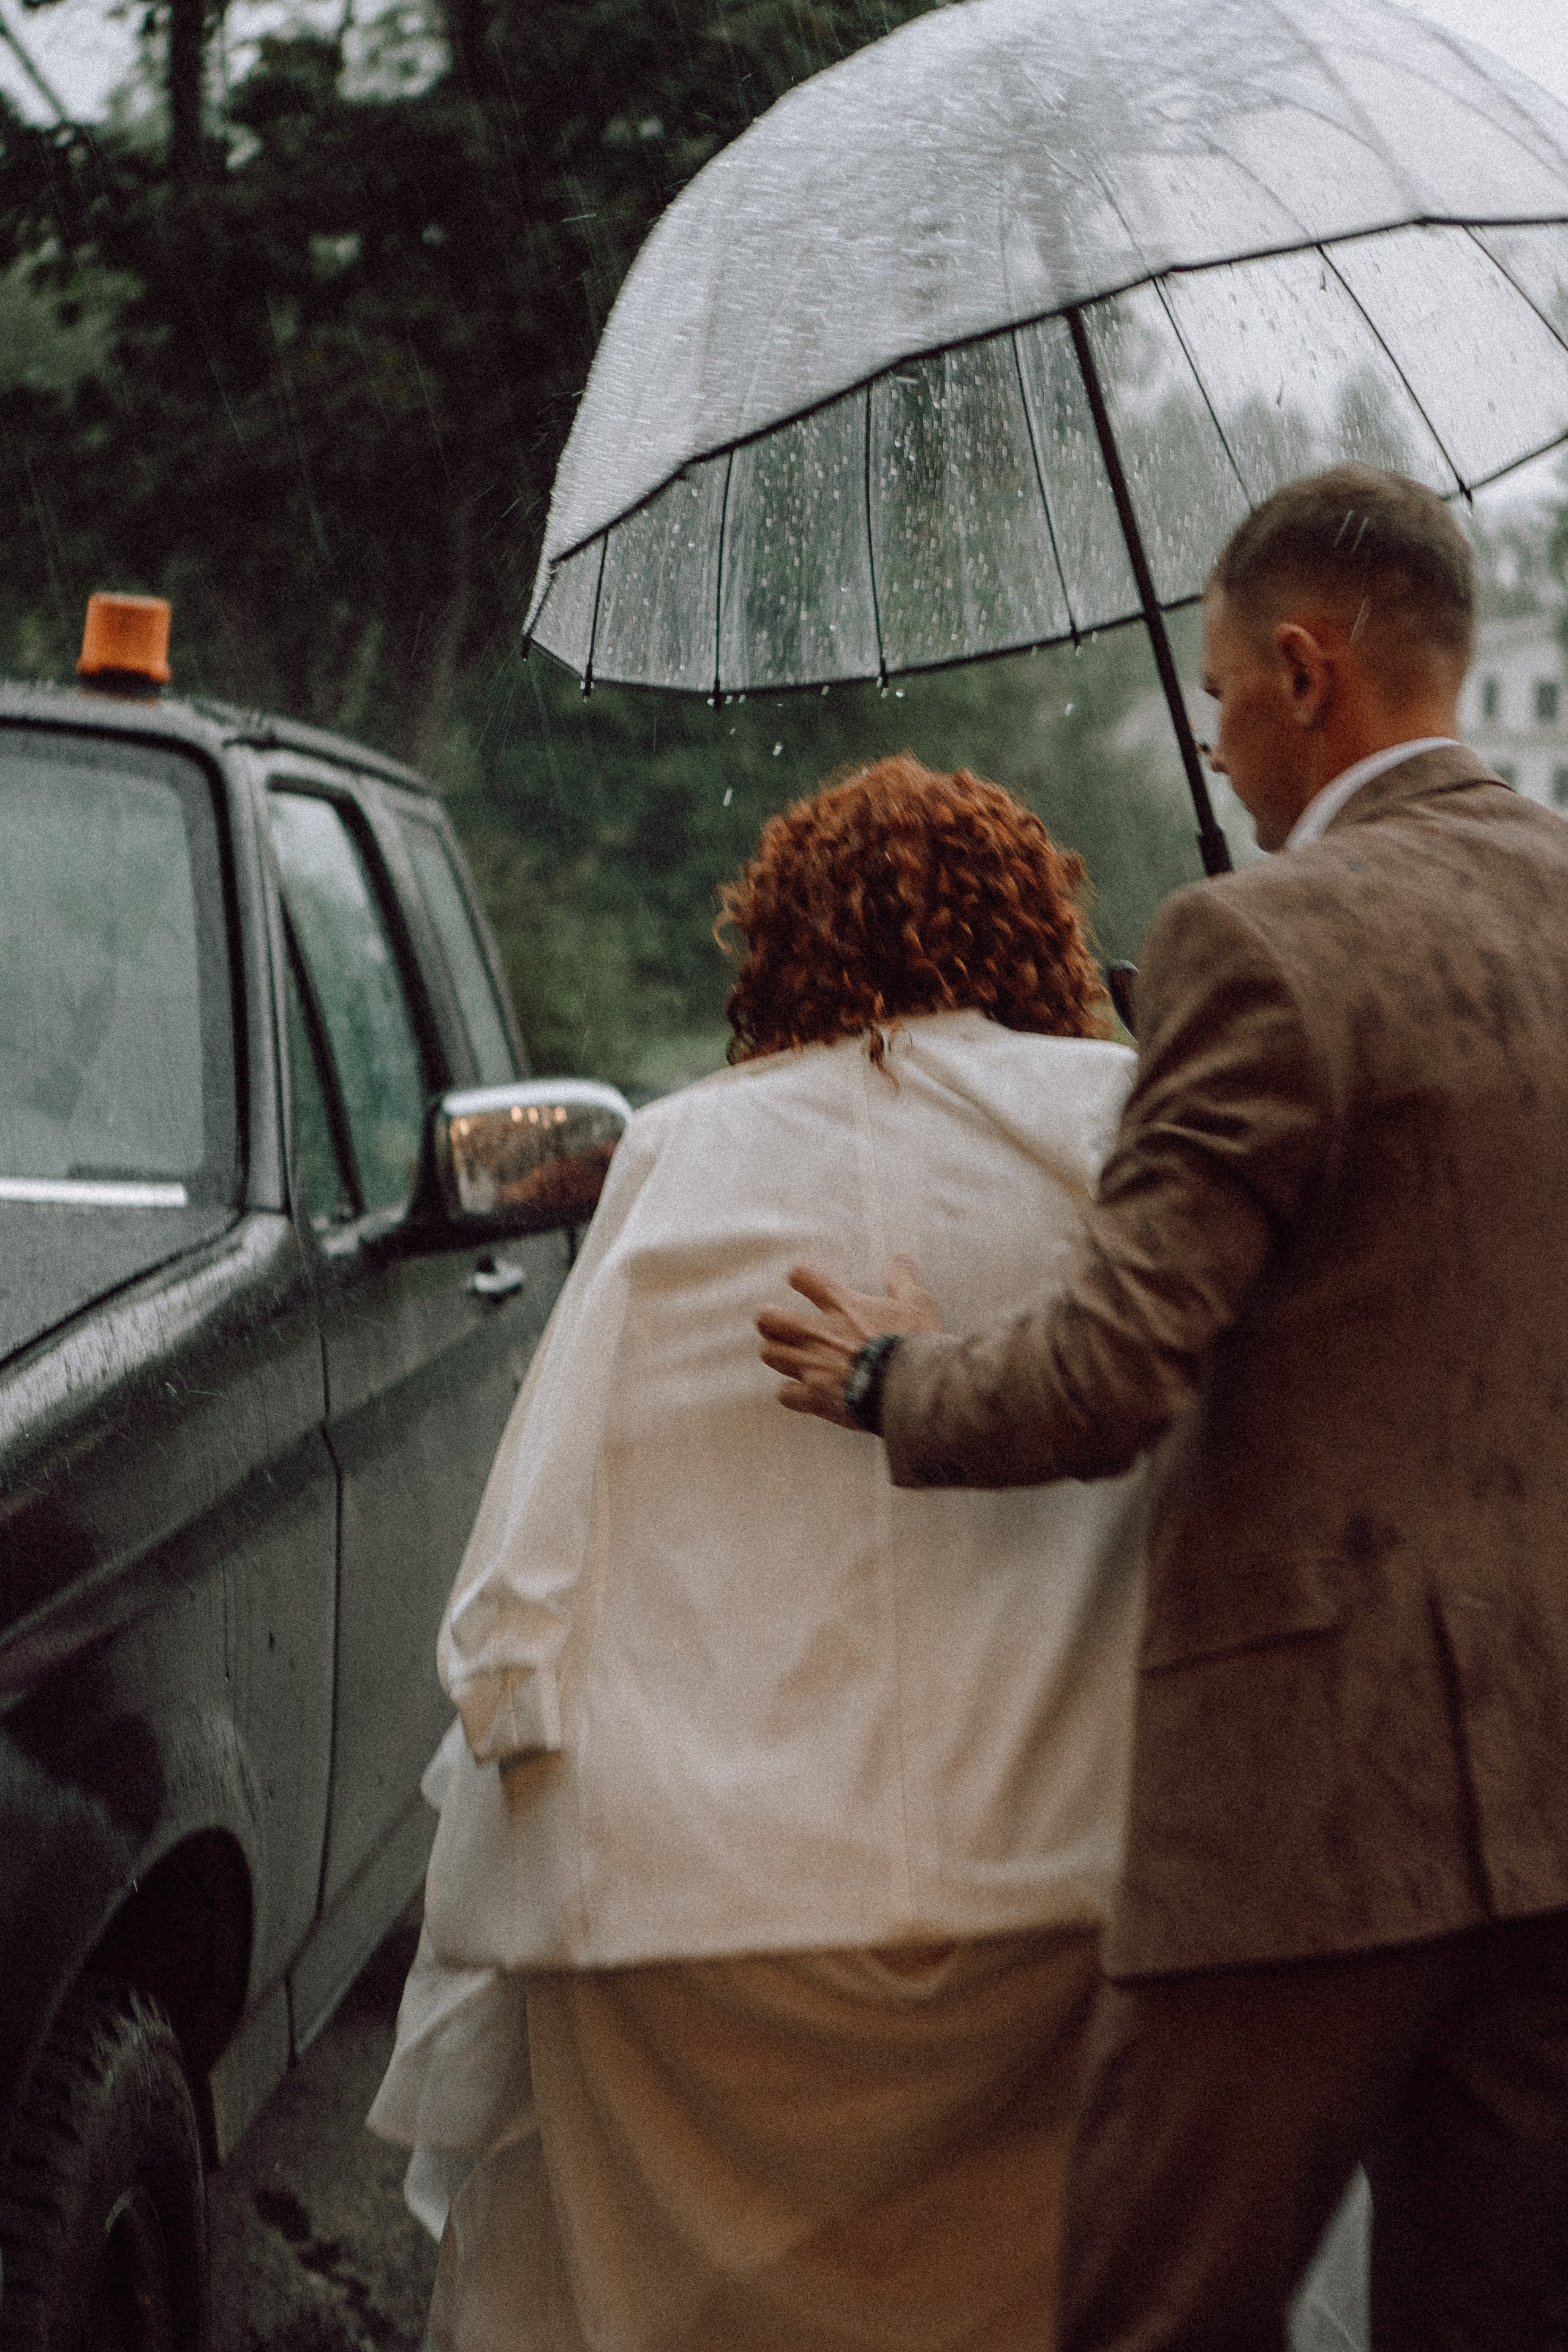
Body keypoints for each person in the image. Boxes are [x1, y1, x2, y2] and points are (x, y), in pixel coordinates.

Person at [758, 465, 1568, 2352]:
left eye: (1217, 692)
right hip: (1558, 1794)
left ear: (1304, 672)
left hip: (1306, 1809)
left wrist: (888, 1371)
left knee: (1155, 2318)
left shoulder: (1258, 942)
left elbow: (1112, 1372)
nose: (1215, 738)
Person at [369, 757, 1154, 2352]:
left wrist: (513, 1721)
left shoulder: (685, 1151)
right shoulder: (1127, 1128)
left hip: (694, 1910)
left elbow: (527, 1546)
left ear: (779, 943)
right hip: (1060, 1872)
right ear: (1038, 933)